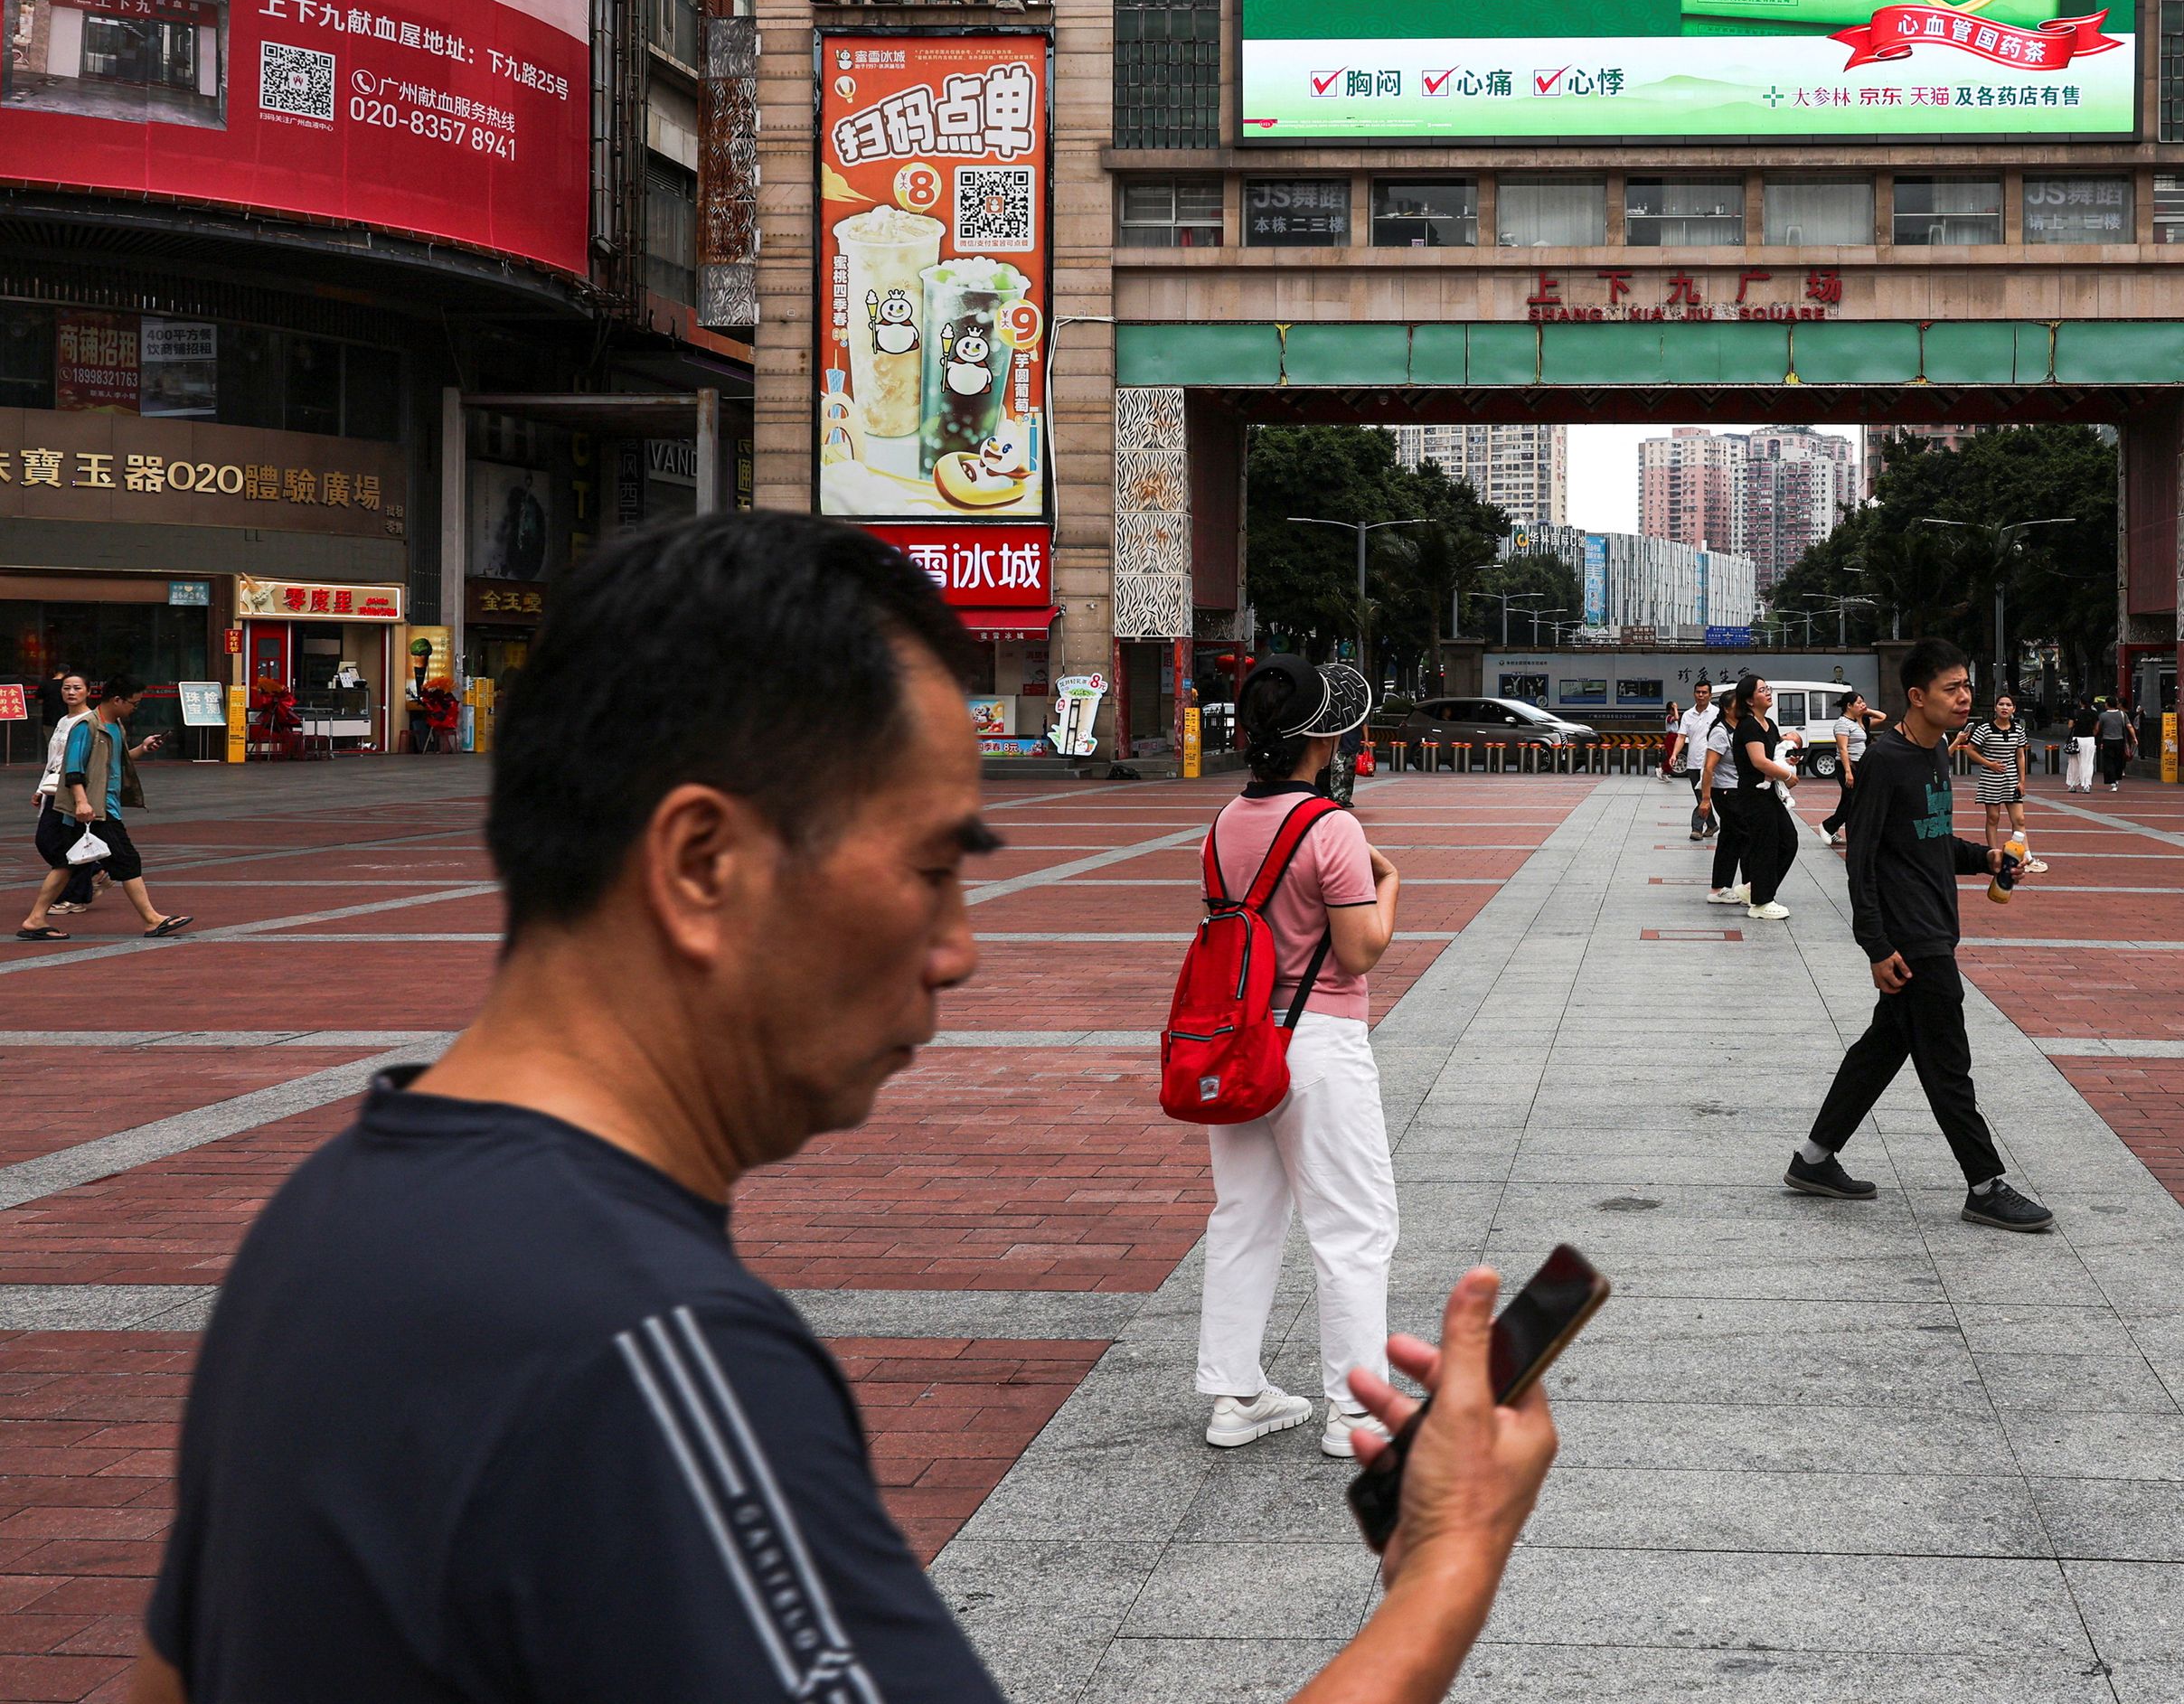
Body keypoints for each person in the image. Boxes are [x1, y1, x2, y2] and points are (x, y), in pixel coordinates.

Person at [131, 512, 1556, 1704]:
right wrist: (1441, 1578)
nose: (960, 944)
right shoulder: (655, 1354)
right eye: (932, 866)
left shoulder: (321, 1218)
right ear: (704, 861)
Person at [1197, 653, 1406, 1460]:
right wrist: (1391, 883)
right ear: (1321, 738)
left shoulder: (1222, 824)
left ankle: (1234, 1395)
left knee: (1244, 1216)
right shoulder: (1331, 827)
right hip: (1317, 1043)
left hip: (1239, 1043)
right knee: (1353, 1227)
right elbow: (1358, 952)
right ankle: (1356, 1413)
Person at [1789, 639, 2052, 1234]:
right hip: (1912, 940)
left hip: (1933, 925)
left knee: (1882, 1049)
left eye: (1967, 687)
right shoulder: (1886, 762)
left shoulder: (1934, 755)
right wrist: (1876, 946)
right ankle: (1985, 1185)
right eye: (1951, 688)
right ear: (1917, 696)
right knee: (1947, 1061)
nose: (1965, 698)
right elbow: (1862, 859)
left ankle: (1812, 1159)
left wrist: (1983, 857)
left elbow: (1928, 843)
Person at [17, 678, 185, 944]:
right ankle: (152, 919)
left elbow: (116, 761)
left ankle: (36, 919)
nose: (136, 708)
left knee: (65, 864)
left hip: (100, 806)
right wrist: (82, 802)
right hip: (95, 809)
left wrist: (142, 748)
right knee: (127, 860)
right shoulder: (86, 726)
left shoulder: (115, 727)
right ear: (117, 700)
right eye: (134, 703)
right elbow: (72, 769)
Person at [1716, 673, 1802, 919]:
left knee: (1788, 841)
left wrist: (1788, 761)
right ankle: (1761, 903)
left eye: (1767, 688)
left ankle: (1754, 888)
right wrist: (1786, 775)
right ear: (1750, 700)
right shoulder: (1749, 726)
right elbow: (1759, 761)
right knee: (1766, 845)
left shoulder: (1769, 725)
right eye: (1762, 689)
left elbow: (1773, 757)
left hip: (1769, 793)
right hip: (1753, 795)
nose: (1768, 692)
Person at [33, 673, 100, 918]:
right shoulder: (63, 721)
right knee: (50, 841)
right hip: (53, 787)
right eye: (66, 688)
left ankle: (75, 894)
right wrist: (40, 789)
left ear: (88, 691)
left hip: (74, 789)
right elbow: (53, 760)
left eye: (77, 688)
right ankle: (92, 871)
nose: (71, 692)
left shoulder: (90, 721)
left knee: (56, 841)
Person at [1953, 692, 2033, 870]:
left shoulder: (2018, 730)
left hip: (2011, 778)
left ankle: (2026, 855)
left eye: (2008, 705)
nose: (2004, 708)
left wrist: (2022, 781)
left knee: (2019, 818)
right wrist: (1989, 764)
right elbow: (1970, 750)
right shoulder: (1985, 729)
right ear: (1995, 708)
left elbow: (2020, 755)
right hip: (1991, 777)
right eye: (2001, 704)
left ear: (2014, 709)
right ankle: (1994, 853)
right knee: (1993, 817)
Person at [1699, 680, 1748, 904]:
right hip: (1726, 792)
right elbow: (1709, 767)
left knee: (1731, 839)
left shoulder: (1741, 728)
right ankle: (1730, 887)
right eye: (1739, 704)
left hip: (1738, 791)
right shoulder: (1720, 732)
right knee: (1741, 836)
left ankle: (1719, 888)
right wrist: (1705, 799)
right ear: (1727, 709)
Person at [1820, 689, 1870, 849]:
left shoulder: (1856, 722)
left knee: (1850, 801)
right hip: (1847, 766)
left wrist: (1865, 710)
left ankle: (1832, 829)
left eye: (1863, 702)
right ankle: (1828, 826)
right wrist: (1848, 771)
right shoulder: (1842, 723)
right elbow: (1843, 749)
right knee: (1851, 801)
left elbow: (1883, 717)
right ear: (1849, 706)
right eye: (1859, 703)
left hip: (1858, 766)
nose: (1863, 705)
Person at [1674, 679, 1720, 841]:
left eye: (1704, 693)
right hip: (1693, 762)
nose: (1701, 695)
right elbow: (1681, 737)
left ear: (1710, 695)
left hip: (1711, 763)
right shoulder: (1688, 714)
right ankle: (1712, 824)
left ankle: (1697, 828)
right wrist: (1674, 754)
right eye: (1698, 692)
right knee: (1700, 797)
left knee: (1703, 796)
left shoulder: (1717, 714)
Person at [2097, 698, 2133, 792]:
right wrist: (2134, 737)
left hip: (2107, 741)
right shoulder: (2122, 714)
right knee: (2118, 761)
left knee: (2108, 761)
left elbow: (2098, 728)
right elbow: (2129, 726)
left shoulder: (2103, 716)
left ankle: (2112, 781)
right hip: (2119, 741)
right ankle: (2117, 779)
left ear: (2108, 704)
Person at [2066, 696, 2100, 793]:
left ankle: (2072, 784)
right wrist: (2091, 734)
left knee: (2074, 762)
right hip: (2089, 739)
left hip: (2076, 739)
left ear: (2081, 702)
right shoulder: (2094, 713)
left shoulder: (2075, 712)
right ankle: (2086, 785)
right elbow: (2097, 728)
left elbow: (2070, 725)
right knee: (2088, 762)